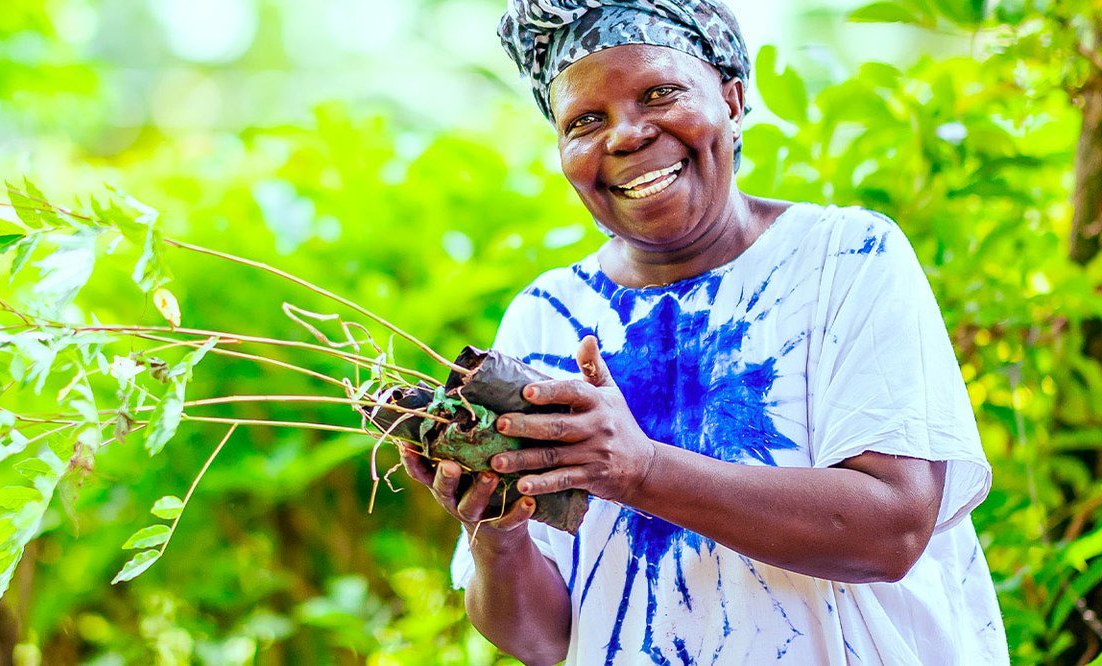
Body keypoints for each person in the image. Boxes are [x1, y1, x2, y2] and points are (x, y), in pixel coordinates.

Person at [396, 1, 1007, 663]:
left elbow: (892, 530)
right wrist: (497, 532)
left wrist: (640, 469)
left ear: (732, 99)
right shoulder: (545, 316)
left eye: (659, 93)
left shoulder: (846, 257)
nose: (625, 136)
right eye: (584, 121)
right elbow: (544, 640)